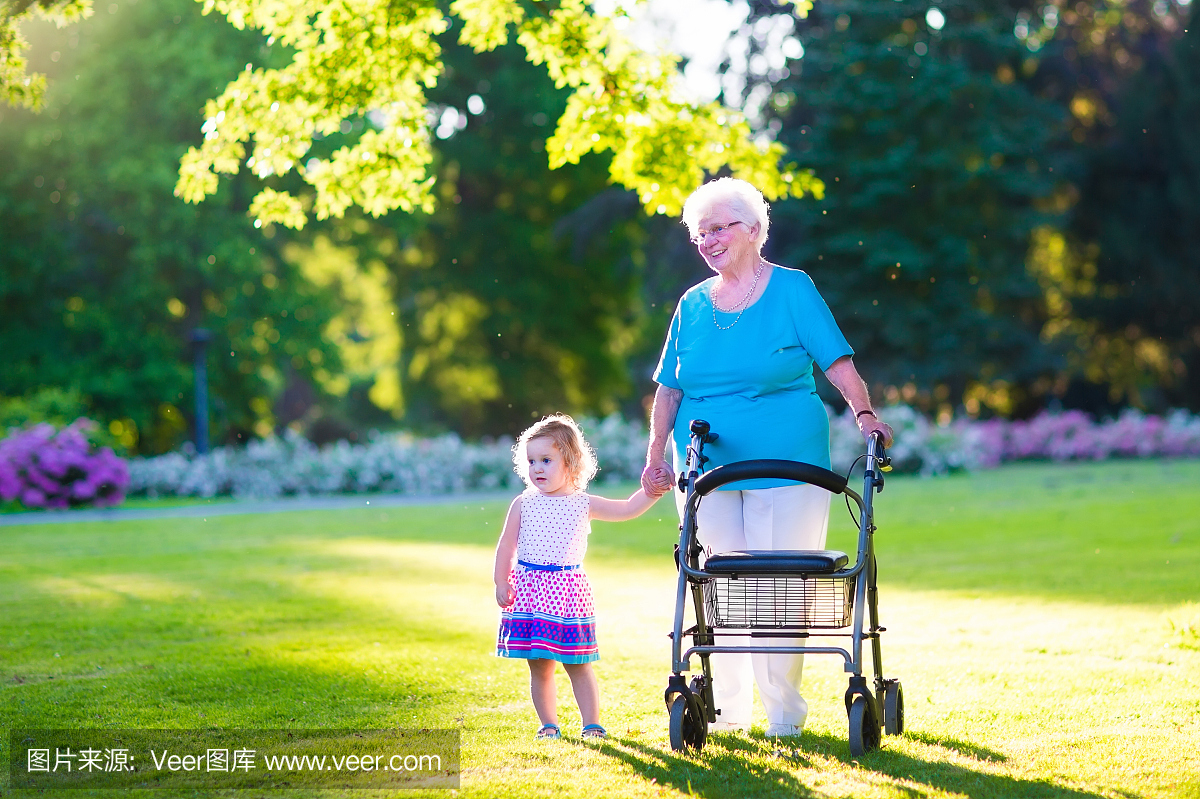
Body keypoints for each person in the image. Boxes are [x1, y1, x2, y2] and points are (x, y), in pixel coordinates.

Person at [641, 177, 894, 738]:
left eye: (719, 227)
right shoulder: (691, 305)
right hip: (707, 468)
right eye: (699, 233)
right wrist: (656, 454)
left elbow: (837, 362)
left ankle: (784, 715)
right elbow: (670, 389)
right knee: (718, 588)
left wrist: (865, 415)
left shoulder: (792, 290)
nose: (708, 240)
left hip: (788, 462)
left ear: (753, 230)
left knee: (779, 589)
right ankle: (727, 712)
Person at [495, 413, 664, 741]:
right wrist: (501, 581)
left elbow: (627, 508)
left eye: (546, 460)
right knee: (539, 665)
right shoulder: (523, 503)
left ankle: (592, 724)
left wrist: (653, 492)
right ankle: (548, 724)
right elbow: (506, 546)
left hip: (566, 593)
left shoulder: (582, 503)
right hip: (529, 592)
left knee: (577, 662)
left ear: (571, 462)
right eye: (531, 461)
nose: (537, 468)